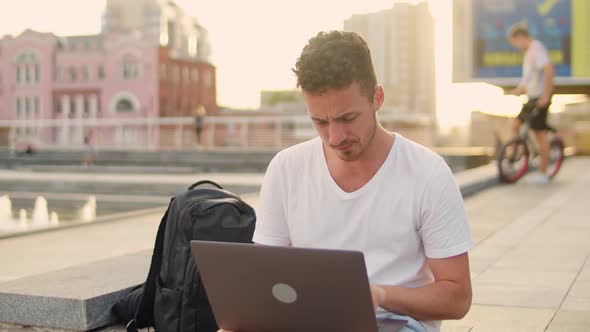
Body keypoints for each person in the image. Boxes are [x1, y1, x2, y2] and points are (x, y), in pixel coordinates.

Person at [220, 31, 473, 332]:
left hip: (395, 324)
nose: (335, 137)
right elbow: (265, 282)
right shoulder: (286, 169)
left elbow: (457, 298)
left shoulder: (428, 174)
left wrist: (381, 295)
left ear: (377, 98)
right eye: (321, 122)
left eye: (348, 118)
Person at [506, 23, 555, 184]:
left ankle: (543, 173)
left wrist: (546, 96)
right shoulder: (527, 55)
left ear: (521, 37)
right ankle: (516, 156)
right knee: (515, 124)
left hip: (540, 98)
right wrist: (516, 91)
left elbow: (549, 70)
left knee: (539, 134)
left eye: (515, 43)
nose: (516, 46)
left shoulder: (536, 48)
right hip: (531, 98)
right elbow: (527, 82)